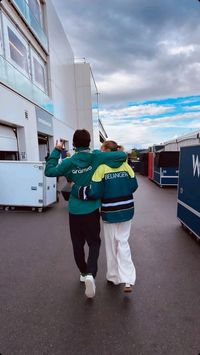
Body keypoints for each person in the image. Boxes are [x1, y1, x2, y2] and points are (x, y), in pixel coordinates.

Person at [45, 130, 127, 298]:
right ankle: (90, 273)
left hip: (74, 210)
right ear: (89, 143)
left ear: (73, 144)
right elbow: (122, 156)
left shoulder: (69, 161)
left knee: (77, 244)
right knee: (94, 244)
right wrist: (101, 154)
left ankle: (83, 273)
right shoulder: (96, 157)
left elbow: (50, 170)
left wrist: (57, 150)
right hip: (91, 210)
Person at [72, 140, 138, 292]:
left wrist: (78, 191)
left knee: (110, 243)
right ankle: (128, 279)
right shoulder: (126, 166)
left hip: (109, 211)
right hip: (127, 209)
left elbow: (95, 191)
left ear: (106, 151)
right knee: (123, 242)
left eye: (102, 149)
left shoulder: (101, 168)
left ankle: (113, 277)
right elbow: (134, 185)